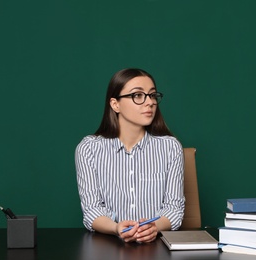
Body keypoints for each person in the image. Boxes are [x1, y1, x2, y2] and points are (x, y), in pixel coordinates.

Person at [75, 68, 185, 243]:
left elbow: (174, 208)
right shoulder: (88, 149)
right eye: (138, 95)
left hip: (156, 246)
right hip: (108, 247)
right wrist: (116, 228)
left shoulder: (170, 148)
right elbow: (92, 210)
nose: (149, 102)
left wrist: (154, 227)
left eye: (152, 95)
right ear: (115, 104)